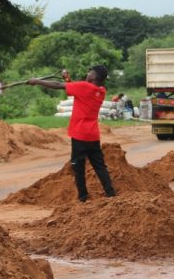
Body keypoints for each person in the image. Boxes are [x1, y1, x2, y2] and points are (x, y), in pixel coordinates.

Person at [29, 65, 116, 203]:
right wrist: (67, 79)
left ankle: (83, 197)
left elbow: (57, 85)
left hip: (80, 136)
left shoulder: (84, 87)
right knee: (100, 166)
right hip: (93, 136)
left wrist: (37, 81)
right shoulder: (101, 90)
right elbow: (76, 89)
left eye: (89, 72)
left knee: (77, 166)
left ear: (94, 76)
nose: (87, 73)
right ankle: (111, 193)